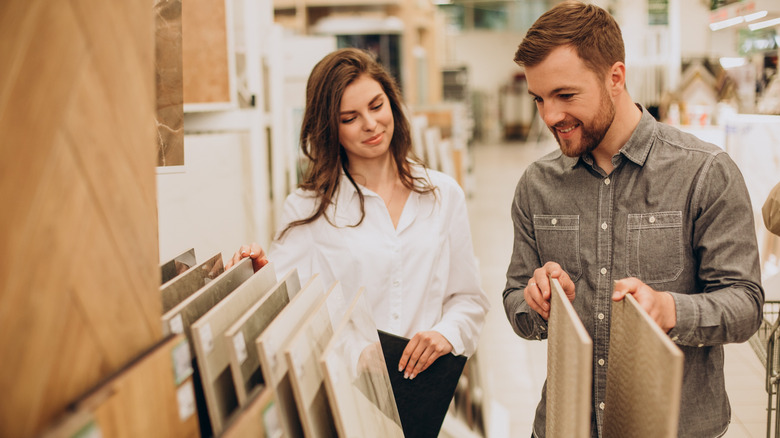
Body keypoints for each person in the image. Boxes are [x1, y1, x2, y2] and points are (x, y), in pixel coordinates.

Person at [502, 2, 764, 437]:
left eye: (565, 95)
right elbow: (514, 298)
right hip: (566, 426)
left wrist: (669, 309)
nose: (550, 116)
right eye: (539, 99)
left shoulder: (704, 173)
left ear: (615, 78)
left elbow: (745, 304)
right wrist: (537, 303)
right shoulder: (537, 185)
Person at [227, 48, 489, 381]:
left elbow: (468, 299)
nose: (370, 124)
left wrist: (446, 335)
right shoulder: (308, 207)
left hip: (423, 389)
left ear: (391, 102)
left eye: (376, 106)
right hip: (348, 389)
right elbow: (292, 313)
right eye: (349, 118)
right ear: (330, 128)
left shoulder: (442, 194)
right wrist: (257, 275)